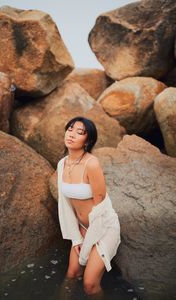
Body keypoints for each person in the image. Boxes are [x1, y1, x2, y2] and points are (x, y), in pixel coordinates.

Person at [57, 116, 121, 296]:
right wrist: (76, 237)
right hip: (83, 227)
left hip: (103, 227)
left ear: (88, 141)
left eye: (80, 132)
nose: (71, 134)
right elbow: (65, 205)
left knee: (90, 284)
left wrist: (87, 243)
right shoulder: (62, 164)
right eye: (70, 129)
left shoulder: (91, 164)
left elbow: (101, 206)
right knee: (71, 275)